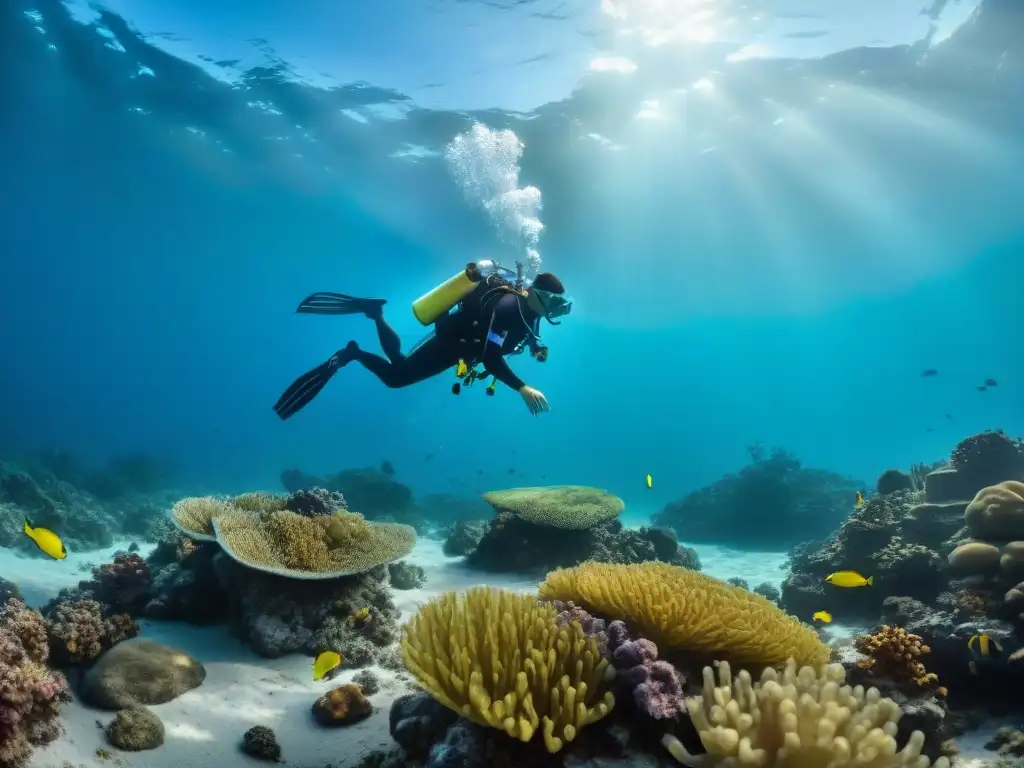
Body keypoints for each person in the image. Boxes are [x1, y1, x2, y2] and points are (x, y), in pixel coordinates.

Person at [272, 269, 572, 420]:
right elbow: (492, 357)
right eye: (555, 301)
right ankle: (358, 343)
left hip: (462, 348)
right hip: (452, 342)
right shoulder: (507, 308)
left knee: (400, 367)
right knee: (396, 376)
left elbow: (524, 334)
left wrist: (536, 347)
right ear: (534, 292)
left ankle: (373, 318)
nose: (558, 308)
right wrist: (522, 387)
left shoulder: (532, 310)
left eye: (561, 303)